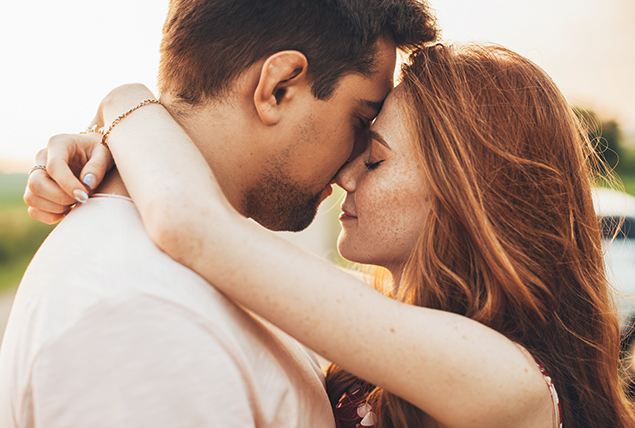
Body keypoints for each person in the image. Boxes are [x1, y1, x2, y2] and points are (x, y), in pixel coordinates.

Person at [24, 42, 635, 426]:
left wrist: (124, 105)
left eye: (374, 159)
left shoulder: (511, 384)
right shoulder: (371, 347)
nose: (344, 173)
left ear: (467, 194)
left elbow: (195, 226)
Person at [0, 1, 438, 427]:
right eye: (360, 121)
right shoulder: (141, 321)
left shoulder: (217, 270)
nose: (351, 166)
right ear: (278, 87)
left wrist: (122, 108)